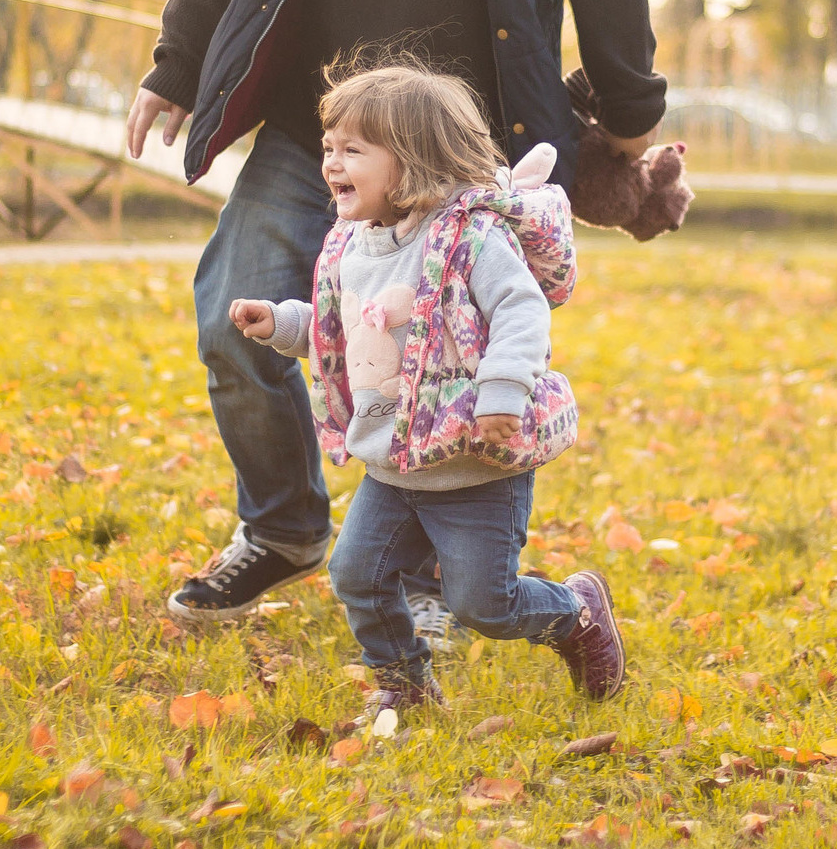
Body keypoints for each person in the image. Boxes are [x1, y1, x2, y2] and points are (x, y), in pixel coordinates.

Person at [125, 0, 665, 631]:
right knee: (231, 320)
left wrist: (629, 111)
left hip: (466, 153)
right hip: (314, 130)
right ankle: (283, 529)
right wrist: (177, 65)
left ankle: (420, 575)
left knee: (440, 360)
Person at [229, 60, 625, 711]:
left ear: (412, 162)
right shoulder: (352, 245)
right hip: (393, 469)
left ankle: (575, 612)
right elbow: (346, 335)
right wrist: (280, 322)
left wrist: (501, 393)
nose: (330, 163)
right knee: (356, 575)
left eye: (352, 150)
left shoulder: (472, 239)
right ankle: (404, 686)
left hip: (473, 467)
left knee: (484, 605)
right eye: (328, 148)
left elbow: (523, 311)